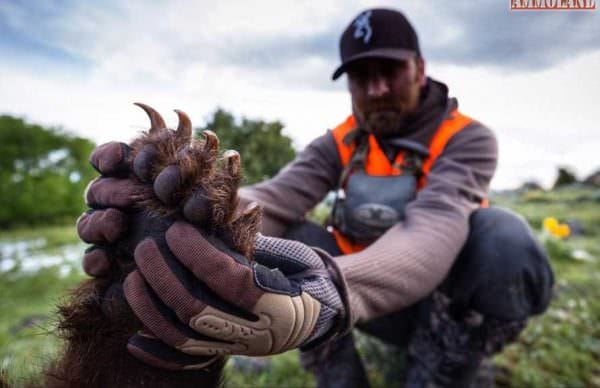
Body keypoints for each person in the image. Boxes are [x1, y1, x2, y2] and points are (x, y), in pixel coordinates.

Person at [77, 8, 554, 387]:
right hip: (372, 311)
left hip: (446, 304)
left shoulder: (466, 138)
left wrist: (332, 290)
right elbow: (276, 199)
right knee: (296, 239)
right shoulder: (342, 142)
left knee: (502, 238)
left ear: (421, 69)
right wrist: (192, 211)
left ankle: (449, 366)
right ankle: (340, 378)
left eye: (390, 71)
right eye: (361, 76)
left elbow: (432, 225)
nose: (377, 89)